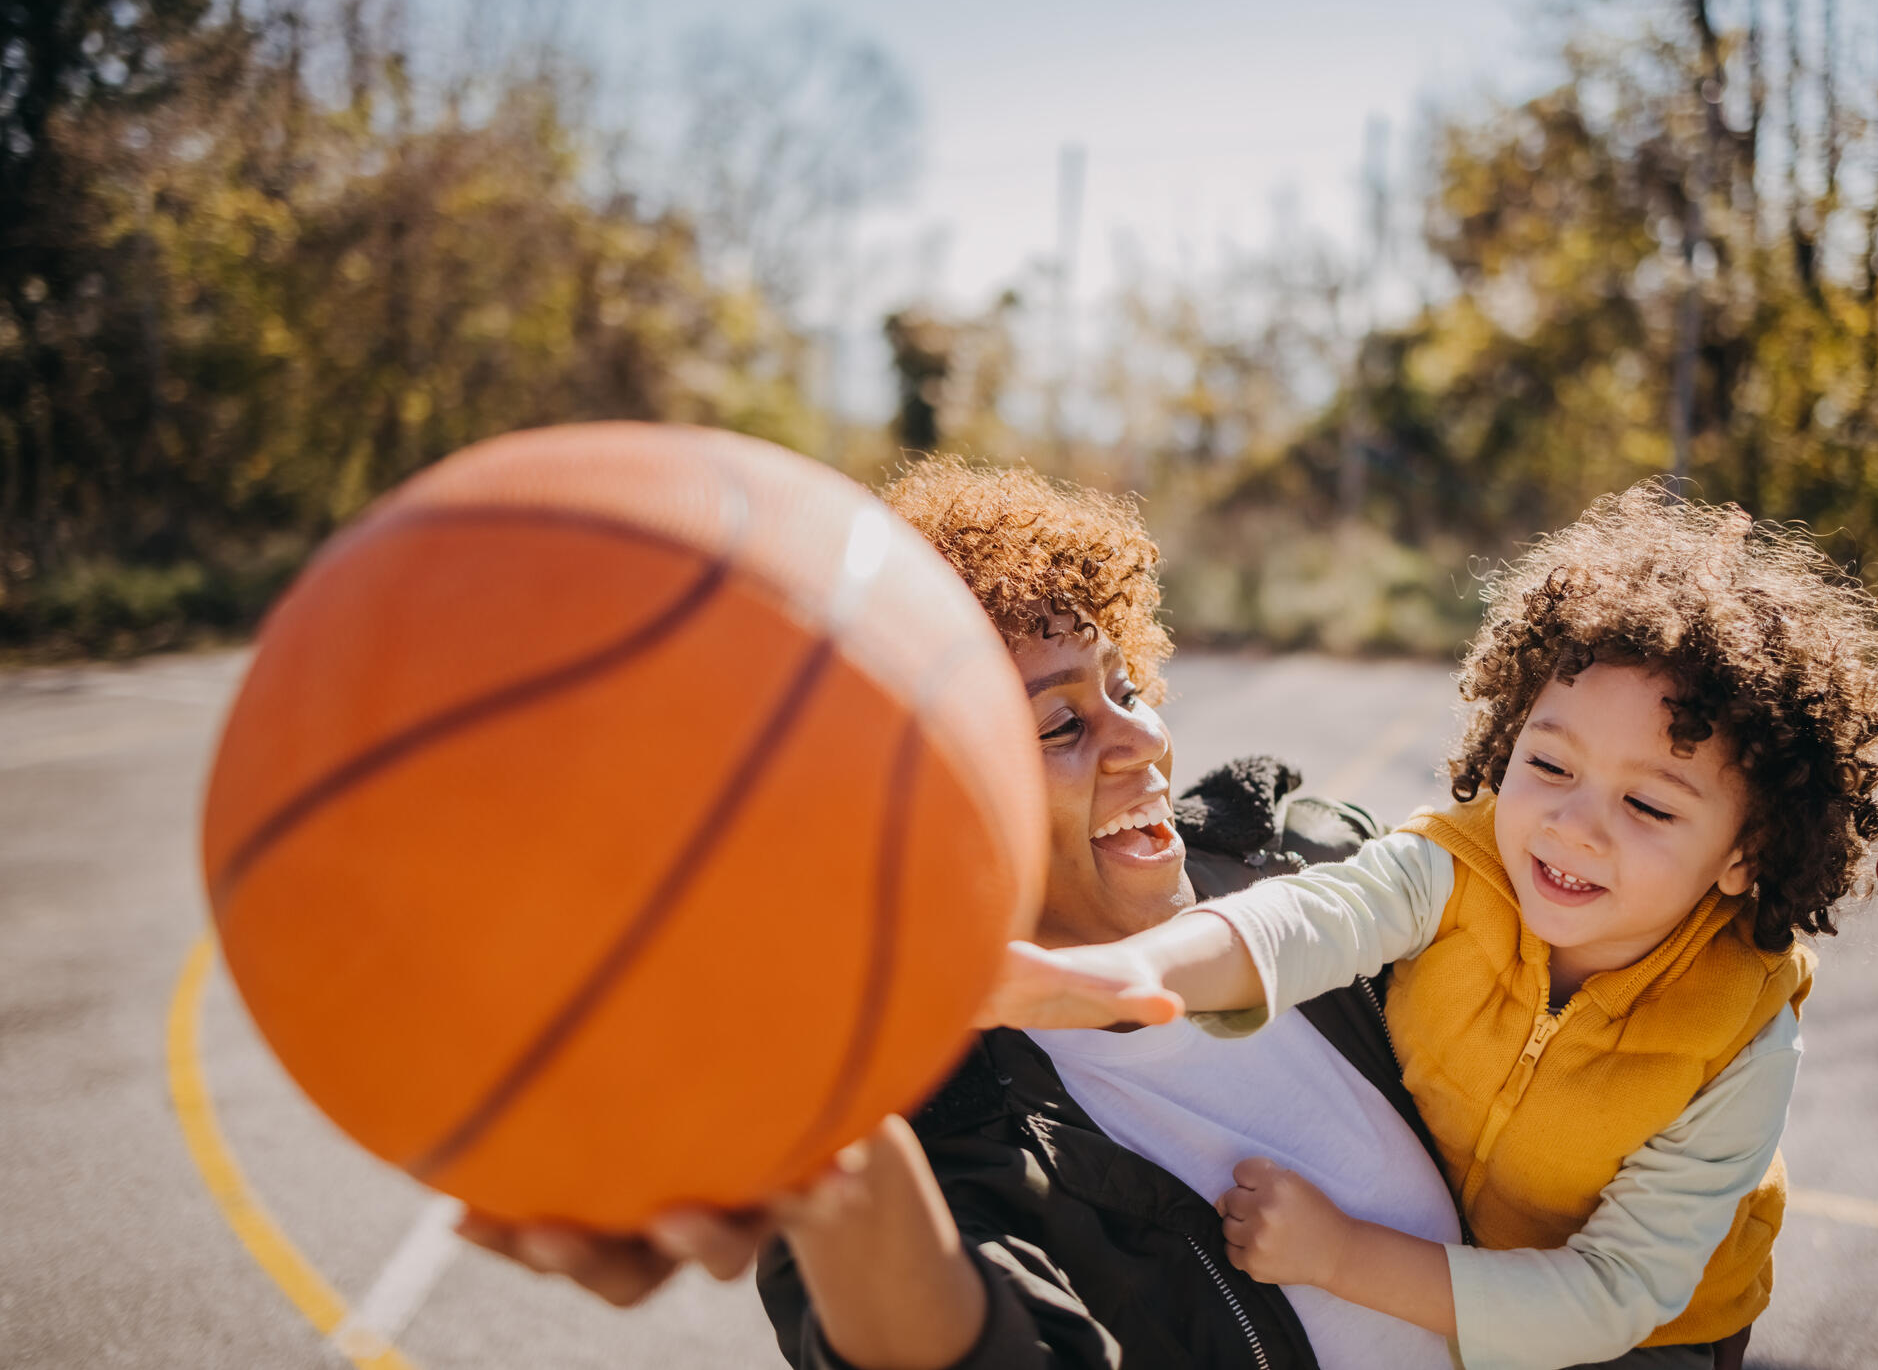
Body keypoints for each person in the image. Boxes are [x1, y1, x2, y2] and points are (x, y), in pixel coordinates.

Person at [463, 457, 1465, 1370]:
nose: (1138, 742)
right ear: (936, 806)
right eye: (1063, 723)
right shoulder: (938, 1127)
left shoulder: (1304, 855)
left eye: (1123, 685)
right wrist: (834, 1154)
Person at [986, 482, 1878, 1370]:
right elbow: (1305, 921)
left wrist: (1344, 1256)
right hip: (1483, 1268)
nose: (1573, 825)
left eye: (1648, 806)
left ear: (1745, 853)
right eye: (1550, 765)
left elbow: (1614, 1293)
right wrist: (1130, 973)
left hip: (1646, 1336)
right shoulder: (1457, 866)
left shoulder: (1742, 1036)